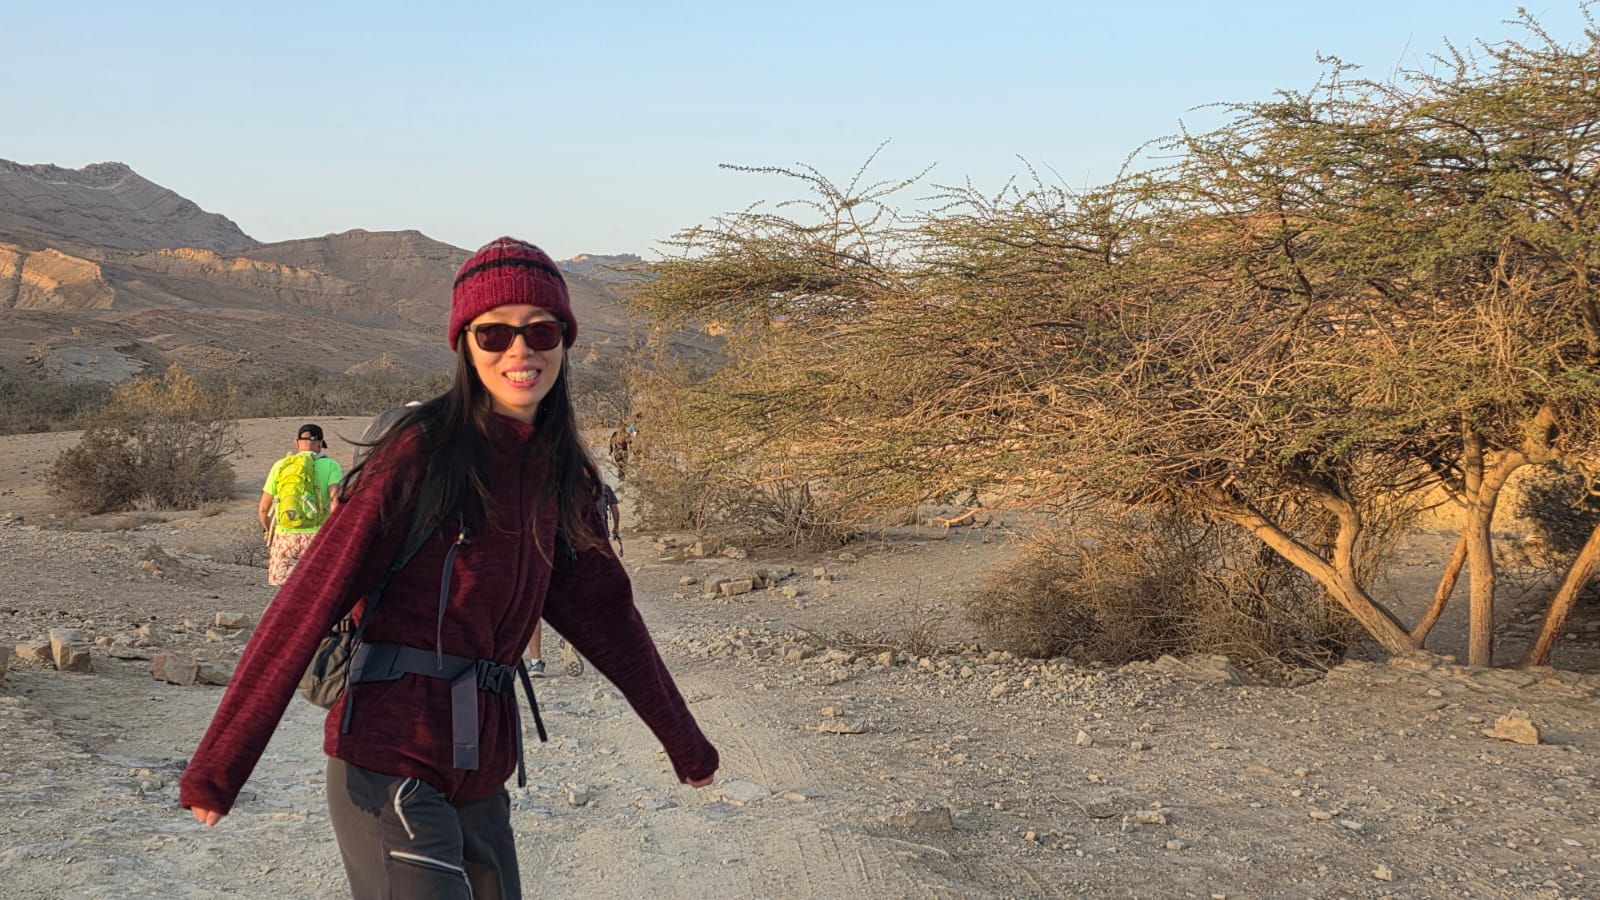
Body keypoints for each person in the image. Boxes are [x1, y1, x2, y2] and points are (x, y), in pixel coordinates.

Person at [181, 237, 719, 899]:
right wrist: (220, 765)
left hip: (480, 767)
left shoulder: (562, 475)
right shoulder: (420, 452)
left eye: (541, 331)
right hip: (389, 755)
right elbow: (309, 599)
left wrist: (685, 743)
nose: (520, 350)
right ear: (464, 343)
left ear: (563, 342)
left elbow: (609, 620)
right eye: (494, 333)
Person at [525, 481, 620, 676]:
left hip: (540, 554)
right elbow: (611, 511)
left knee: (533, 608)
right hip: (573, 552)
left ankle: (536, 662)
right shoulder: (592, 487)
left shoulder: (534, 489)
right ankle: (569, 638)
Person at [258, 424, 343, 586]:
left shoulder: (280, 465)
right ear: (320, 444)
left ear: (297, 443)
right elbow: (334, 502)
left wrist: (269, 532)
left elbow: (263, 509)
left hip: (284, 538)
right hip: (317, 537)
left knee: (285, 593)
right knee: (317, 589)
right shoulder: (331, 465)